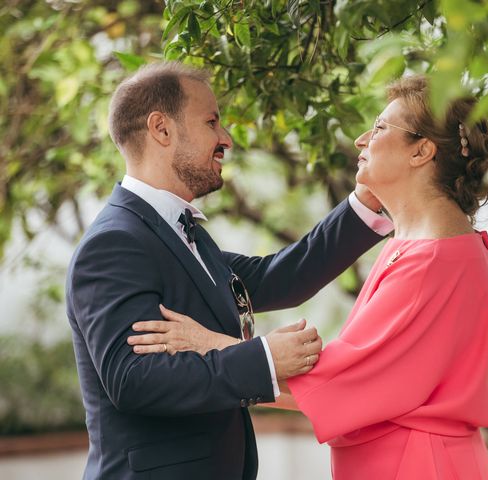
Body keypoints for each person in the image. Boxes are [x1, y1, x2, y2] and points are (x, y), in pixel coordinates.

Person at [132, 74, 488, 479]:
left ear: (421, 151)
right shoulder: (428, 247)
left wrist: (207, 344)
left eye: (381, 127)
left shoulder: (434, 259)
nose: (362, 140)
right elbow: (284, 282)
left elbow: (336, 383)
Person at [65, 61, 392, 480]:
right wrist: (264, 359)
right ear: (161, 130)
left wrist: (369, 201)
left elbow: (280, 276)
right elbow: (132, 380)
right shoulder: (114, 243)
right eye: (212, 121)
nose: (227, 139)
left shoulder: (184, 233)